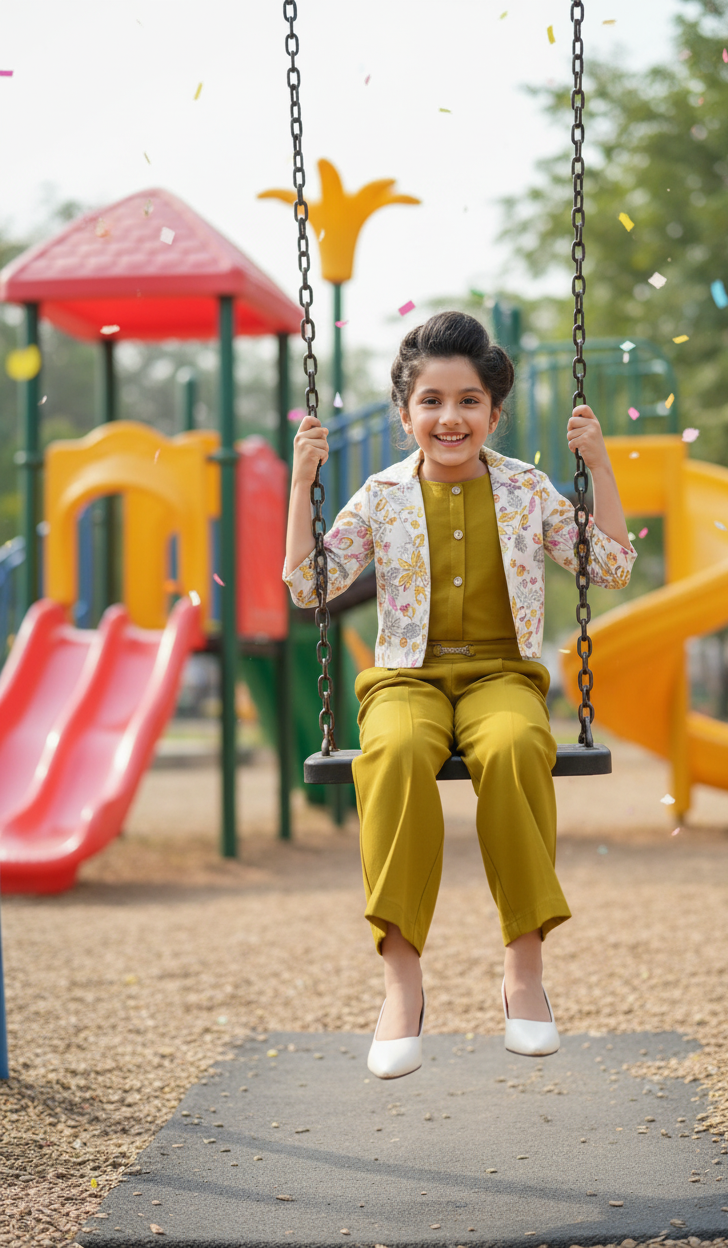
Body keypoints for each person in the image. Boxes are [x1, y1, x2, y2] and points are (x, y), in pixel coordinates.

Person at [284, 312, 635, 1079]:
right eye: (432, 402)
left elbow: (607, 566)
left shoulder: (525, 489)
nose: (451, 418)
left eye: (469, 401)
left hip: (502, 675)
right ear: (405, 414)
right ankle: (401, 984)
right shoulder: (379, 497)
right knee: (397, 752)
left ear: (494, 413)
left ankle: (524, 971)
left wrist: (599, 465)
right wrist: (302, 484)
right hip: (406, 679)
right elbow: (311, 584)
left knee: (515, 747)